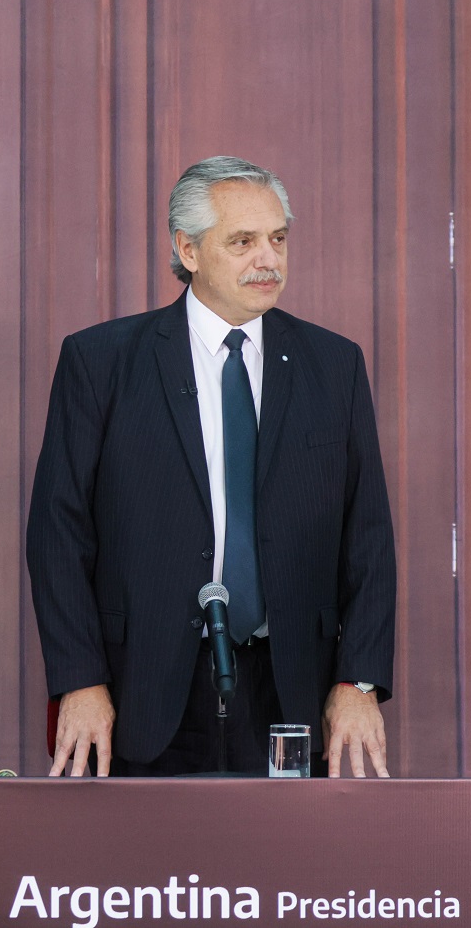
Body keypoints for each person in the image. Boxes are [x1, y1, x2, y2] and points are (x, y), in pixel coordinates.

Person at [27, 156, 396, 777]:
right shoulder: (101, 363)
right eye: (243, 241)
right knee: (147, 871)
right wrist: (79, 680)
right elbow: (57, 534)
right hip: (139, 687)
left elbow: (368, 538)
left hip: (289, 689)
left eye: (278, 239)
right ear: (188, 249)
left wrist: (358, 681)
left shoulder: (333, 366)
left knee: (281, 870)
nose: (269, 260)